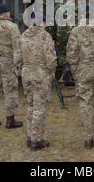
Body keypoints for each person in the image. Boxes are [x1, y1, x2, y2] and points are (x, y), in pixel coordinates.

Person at [66, 5, 94, 149]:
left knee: (85, 103)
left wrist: (76, 72)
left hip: (83, 71)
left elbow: (71, 55)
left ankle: (88, 139)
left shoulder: (76, 31)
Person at [20, 12, 57, 151]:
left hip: (26, 74)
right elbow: (51, 59)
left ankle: (30, 136)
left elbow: (17, 57)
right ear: (42, 22)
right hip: (40, 75)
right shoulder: (45, 36)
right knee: (39, 107)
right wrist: (52, 71)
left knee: (31, 105)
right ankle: (36, 140)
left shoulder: (23, 36)